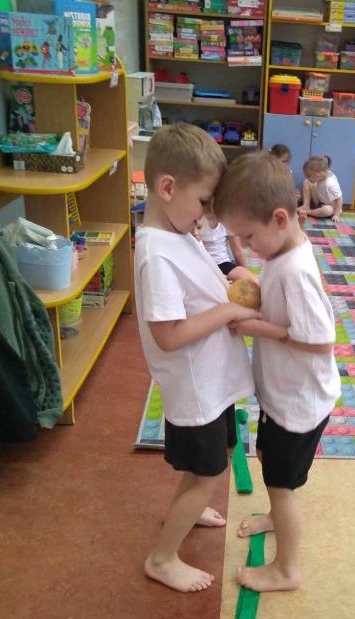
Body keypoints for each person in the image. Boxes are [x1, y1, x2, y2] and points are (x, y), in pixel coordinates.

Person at [134, 123, 261, 593]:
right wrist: (229, 310)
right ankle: (162, 558)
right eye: (205, 201)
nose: (209, 215)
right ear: (168, 188)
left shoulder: (179, 232)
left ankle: (189, 506)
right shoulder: (156, 254)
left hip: (213, 383)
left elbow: (204, 279)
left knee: (217, 457)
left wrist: (233, 281)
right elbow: (168, 336)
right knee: (207, 473)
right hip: (195, 388)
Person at [213, 151, 340, 593]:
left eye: (249, 237)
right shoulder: (282, 252)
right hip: (283, 397)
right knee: (270, 461)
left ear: (280, 219)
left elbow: (320, 340)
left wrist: (258, 327)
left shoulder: (296, 271)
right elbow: (284, 308)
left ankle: (287, 570)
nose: (247, 247)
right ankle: (273, 514)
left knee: (282, 485)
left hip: (300, 404)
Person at [198, 213, 258, 283]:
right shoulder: (197, 220)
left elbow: (237, 251)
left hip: (223, 263)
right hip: (204, 265)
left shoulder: (228, 221)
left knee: (252, 281)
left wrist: (246, 275)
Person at [299, 155, 343, 223]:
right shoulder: (323, 175)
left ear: (318, 174)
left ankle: (308, 212)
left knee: (327, 210)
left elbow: (339, 199)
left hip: (332, 208)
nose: (307, 177)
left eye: (309, 175)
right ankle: (306, 205)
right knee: (306, 181)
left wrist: (337, 215)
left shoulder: (330, 184)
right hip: (321, 201)